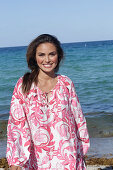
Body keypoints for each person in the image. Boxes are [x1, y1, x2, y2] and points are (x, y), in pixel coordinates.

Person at [6, 34, 90, 170]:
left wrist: (81, 153)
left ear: (59, 56)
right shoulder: (24, 85)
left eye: (52, 54)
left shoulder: (66, 83)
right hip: (37, 160)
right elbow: (16, 125)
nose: (47, 60)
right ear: (34, 57)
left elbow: (78, 119)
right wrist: (15, 160)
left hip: (67, 157)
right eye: (41, 55)